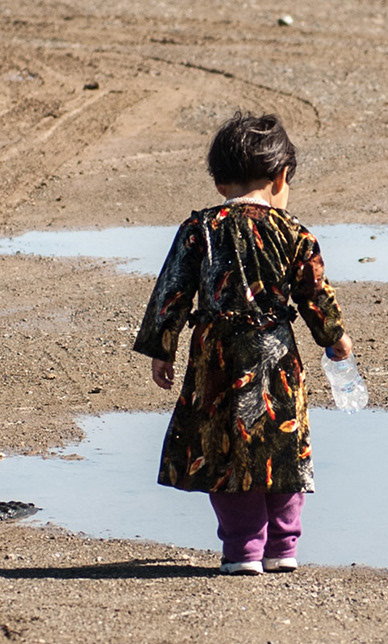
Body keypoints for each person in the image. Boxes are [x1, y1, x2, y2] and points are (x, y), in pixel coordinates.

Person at [132, 112, 353, 576]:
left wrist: (163, 347)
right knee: (283, 447)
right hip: (276, 358)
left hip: (217, 356)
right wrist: (334, 338)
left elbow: (171, 289)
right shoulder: (295, 232)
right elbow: (315, 292)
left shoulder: (199, 229)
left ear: (219, 184)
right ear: (281, 176)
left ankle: (243, 551)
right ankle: (282, 548)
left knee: (224, 447)